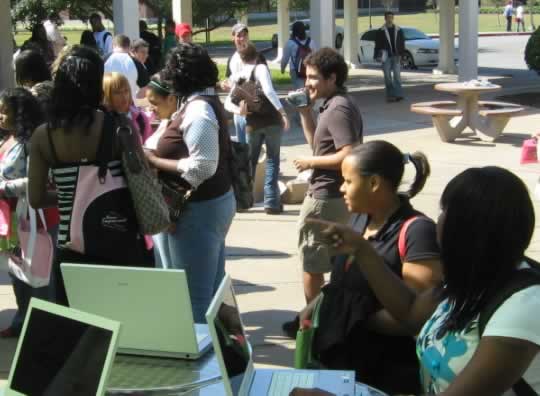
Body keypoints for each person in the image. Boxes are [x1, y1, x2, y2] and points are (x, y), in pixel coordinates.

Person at [296, 166, 540, 396]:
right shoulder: (470, 278)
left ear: (465, 230)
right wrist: (361, 249)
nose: (438, 221)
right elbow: (410, 316)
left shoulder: (525, 305)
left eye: (444, 211)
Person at [298, 141, 441, 394]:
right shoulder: (360, 218)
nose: (342, 188)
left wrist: (349, 320)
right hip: (343, 366)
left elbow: (418, 316)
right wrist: (319, 303)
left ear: (374, 183)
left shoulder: (417, 232)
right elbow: (346, 284)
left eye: (348, 181)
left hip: (385, 376)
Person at [28, 45, 153, 306]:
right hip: (121, 241)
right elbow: (142, 177)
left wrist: (70, 193)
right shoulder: (120, 126)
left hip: (72, 247)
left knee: (78, 330)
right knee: (129, 322)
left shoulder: (43, 135)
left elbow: (36, 197)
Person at [144, 43, 236, 323]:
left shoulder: (199, 111)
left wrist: (156, 163)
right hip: (205, 207)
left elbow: (202, 166)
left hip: (199, 211)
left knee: (195, 300)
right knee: (208, 291)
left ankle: (200, 360)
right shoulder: (197, 105)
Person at [282, 48, 363, 335]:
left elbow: (349, 154)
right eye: (306, 76)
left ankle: (312, 325)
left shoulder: (339, 108)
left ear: (332, 77)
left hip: (325, 199)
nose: (308, 83)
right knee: (323, 262)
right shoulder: (330, 105)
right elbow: (319, 146)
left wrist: (310, 162)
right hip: (328, 195)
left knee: (312, 265)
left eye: (314, 77)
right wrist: (305, 112)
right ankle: (314, 317)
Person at [0, 88, 52, 338]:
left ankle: (39, 326)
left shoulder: (31, 141)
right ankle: (22, 321)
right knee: (16, 269)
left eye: (5, 110)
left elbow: (35, 181)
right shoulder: (8, 138)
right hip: (9, 215)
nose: (0, 115)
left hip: (30, 215)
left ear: (19, 113)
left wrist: (3, 188)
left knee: (35, 270)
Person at [225, 43, 290, 214]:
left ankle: (244, 200)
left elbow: (227, 102)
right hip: (272, 121)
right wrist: (282, 113)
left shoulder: (238, 76)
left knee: (249, 162)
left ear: (242, 58)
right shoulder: (260, 68)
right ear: (257, 56)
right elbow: (269, 91)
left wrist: (239, 111)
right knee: (272, 159)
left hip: (252, 124)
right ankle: (271, 202)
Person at [102, 72, 153, 143]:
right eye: (117, 92)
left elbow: (147, 146)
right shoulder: (101, 120)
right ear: (107, 95)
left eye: (126, 91)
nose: (124, 96)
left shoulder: (141, 118)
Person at [105, 35, 149, 100]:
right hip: (129, 105)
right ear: (128, 47)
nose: (146, 55)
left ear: (113, 45)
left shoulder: (103, 60)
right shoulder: (137, 63)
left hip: (109, 105)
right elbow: (144, 89)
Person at [374, 12, 406, 103]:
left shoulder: (399, 30)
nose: (390, 19)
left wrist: (402, 56)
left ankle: (399, 94)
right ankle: (391, 95)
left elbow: (402, 44)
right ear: (385, 18)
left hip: (396, 56)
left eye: (391, 17)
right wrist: (376, 55)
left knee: (397, 76)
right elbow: (377, 45)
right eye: (388, 17)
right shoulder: (381, 31)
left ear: (393, 18)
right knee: (387, 77)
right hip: (386, 57)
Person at [281, 21, 317, 90]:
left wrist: (282, 69)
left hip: (295, 70)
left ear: (293, 31)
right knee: (309, 89)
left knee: (298, 90)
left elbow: (285, 58)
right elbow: (316, 57)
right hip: (309, 69)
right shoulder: (311, 42)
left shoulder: (290, 43)